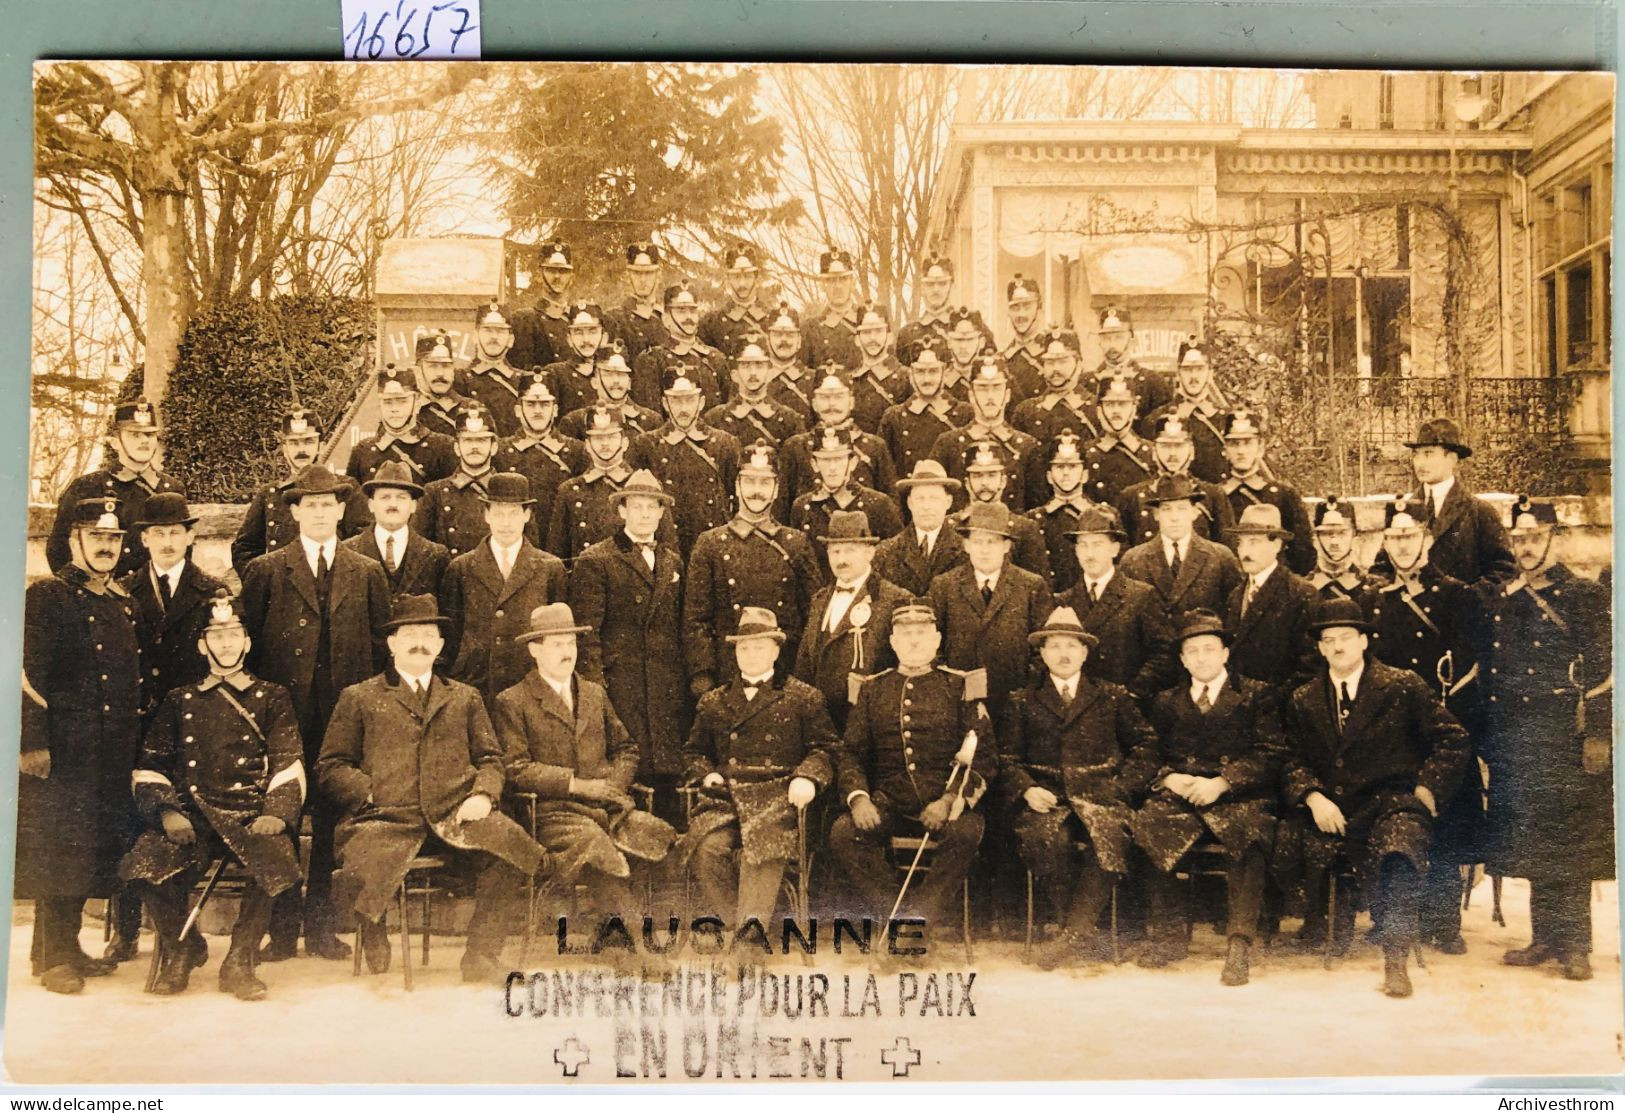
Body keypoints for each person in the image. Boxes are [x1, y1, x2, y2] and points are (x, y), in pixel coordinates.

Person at [319, 594, 549, 982]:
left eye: (429, 634)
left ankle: (480, 955)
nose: (420, 642)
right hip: (386, 818)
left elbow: (491, 759)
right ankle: (371, 922)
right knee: (365, 861)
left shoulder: (464, 697)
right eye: (410, 634)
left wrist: (482, 795)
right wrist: (370, 791)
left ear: (441, 645)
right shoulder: (359, 697)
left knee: (510, 850)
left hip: (455, 814)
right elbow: (330, 766)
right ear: (392, 643)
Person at [1280, 596, 1470, 998]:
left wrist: (1427, 788)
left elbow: (1453, 739)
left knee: (1400, 849)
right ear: (1319, 648)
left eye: (1346, 637)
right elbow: (1291, 759)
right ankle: (1332, 927)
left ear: (1364, 641)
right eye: (1328, 640)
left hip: (1393, 801)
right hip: (1335, 807)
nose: (1337, 647)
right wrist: (1312, 796)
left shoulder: (1401, 685)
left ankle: (1396, 959)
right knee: (1294, 845)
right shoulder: (1304, 698)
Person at [239, 463, 392, 962]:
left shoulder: (366, 571)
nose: (321, 512)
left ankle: (322, 929)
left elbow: (378, 646)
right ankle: (281, 930)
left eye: (329, 504)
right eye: (311, 504)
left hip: (343, 717)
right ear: (295, 512)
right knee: (281, 814)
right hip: (285, 715)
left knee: (331, 821)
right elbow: (252, 645)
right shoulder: (266, 570)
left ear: (343, 510)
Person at [121, 591, 305, 1000]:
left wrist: (276, 811)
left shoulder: (272, 696)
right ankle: (183, 948)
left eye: (234, 634)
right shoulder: (178, 699)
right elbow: (151, 763)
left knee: (275, 855)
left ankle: (241, 958)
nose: (226, 643)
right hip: (194, 814)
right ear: (203, 645)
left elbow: (288, 760)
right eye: (216, 635)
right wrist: (168, 812)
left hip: (250, 813)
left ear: (247, 642)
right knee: (143, 865)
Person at [1484, 497, 1613, 981]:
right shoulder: (1510, 597)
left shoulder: (1582, 596)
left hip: (1567, 734)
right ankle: (1544, 937)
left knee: (1570, 840)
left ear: (1555, 539)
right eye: (1518, 539)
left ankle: (1576, 945)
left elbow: (1604, 673)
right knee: (1534, 836)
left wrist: (1598, 735)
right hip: (1521, 736)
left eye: (1535, 537)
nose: (1526, 548)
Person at [19, 497, 142, 994]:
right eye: (97, 537)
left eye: (114, 539)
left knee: (87, 850)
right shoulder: (49, 595)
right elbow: (24, 676)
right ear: (74, 540)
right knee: (58, 850)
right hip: (63, 751)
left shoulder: (120, 601)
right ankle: (52, 959)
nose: (107, 547)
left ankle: (68, 948)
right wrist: (31, 743)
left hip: (109, 751)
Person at [1130, 611, 1284, 984]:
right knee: (1148, 824)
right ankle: (1169, 933)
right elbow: (1149, 752)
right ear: (1182, 660)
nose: (1201, 658)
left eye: (1209, 649)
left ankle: (1239, 942)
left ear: (1225, 654)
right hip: (1183, 793)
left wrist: (1224, 781)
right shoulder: (1166, 701)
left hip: (1237, 796)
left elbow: (1270, 752)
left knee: (1249, 834)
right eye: (1192, 651)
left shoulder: (1256, 694)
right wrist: (1168, 778)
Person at [1000, 607, 1157, 971]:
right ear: (1042, 653)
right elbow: (1005, 758)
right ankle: (1082, 931)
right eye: (1054, 646)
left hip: (1102, 797)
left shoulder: (1112, 696)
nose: (1064, 653)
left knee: (1109, 837)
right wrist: (1026, 790)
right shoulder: (1022, 700)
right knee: (1048, 841)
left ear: (1085, 652)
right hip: (1048, 798)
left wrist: (1121, 787)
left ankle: (1070, 936)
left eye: (1071, 645)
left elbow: (1147, 747)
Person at [1367, 497, 1491, 955]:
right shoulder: (1373, 598)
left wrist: (1451, 722)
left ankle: (1444, 921)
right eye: (1394, 536)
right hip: (1392, 728)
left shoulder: (1456, 595)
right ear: (1383, 541)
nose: (1401, 545)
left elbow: (1473, 664)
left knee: (1442, 818)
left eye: (1410, 535)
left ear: (1427, 539)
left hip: (1441, 724)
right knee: (1392, 817)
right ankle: (1390, 918)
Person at [107, 492, 228, 962]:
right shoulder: (123, 589)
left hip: (187, 726)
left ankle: (173, 935)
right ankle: (127, 930)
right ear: (143, 539)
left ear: (191, 536)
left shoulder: (211, 591)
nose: (167, 541)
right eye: (157, 532)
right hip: (136, 723)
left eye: (176, 531)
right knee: (130, 822)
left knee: (176, 824)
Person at [832, 599, 996, 929]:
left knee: (967, 833)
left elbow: (984, 756)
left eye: (921, 633)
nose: (914, 641)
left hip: (945, 802)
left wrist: (950, 800)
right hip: (889, 803)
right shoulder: (872, 688)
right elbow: (851, 753)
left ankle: (919, 917)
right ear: (892, 642)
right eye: (905, 634)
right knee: (844, 833)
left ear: (937, 639)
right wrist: (860, 798)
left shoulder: (960, 685)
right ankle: (902, 919)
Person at [494, 603, 650, 929]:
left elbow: (626, 749)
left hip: (607, 805)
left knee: (656, 836)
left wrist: (613, 787)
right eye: (557, 645)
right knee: (594, 843)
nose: (567, 653)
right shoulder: (514, 700)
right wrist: (576, 785)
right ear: (534, 649)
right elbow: (517, 767)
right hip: (551, 813)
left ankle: (622, 931)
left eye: (571, 644)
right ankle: (632, 943)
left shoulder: (594, 694)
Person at [680, 608, 839, 928]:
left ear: (776, 650)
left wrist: (808, 777)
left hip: (778, 799)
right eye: (744, 647)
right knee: (707, 849)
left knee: (762, 845)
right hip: (726, 798)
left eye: (759, 647)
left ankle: (748, 942)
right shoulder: (714, 701)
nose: (751, 655)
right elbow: (694, 752)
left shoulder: (803, 696)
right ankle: (743, 931)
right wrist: (706, 773)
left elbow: (826, 749)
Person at [567, 471, 690, 823]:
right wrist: (596, 690)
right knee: (627, 770)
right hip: (621, 686)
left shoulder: (672, 560)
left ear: (662, 513)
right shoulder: (597, 560)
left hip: (664, 687)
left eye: (653, 507)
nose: (645, 515)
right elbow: (587, 635)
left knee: (664, 775)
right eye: (637, 507)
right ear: (621, 511)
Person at [683, 442, 824, 695]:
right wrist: (702, 675)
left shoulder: (796, 544)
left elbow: (813, 616)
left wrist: (804, 674)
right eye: (749, 482)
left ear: (777, 488)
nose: (756, 491)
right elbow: (696, 619)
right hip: (729, 675)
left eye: (764, 483)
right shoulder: (710, 543)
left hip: (785, 673)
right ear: (737, 486)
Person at [440, 472, 569, 708]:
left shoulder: (550, 568)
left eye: (513, 513)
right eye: (499, 513)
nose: (506, 523)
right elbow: (451, 634)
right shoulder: (461, 568)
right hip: (476, 685)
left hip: (529, 686)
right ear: (487, 514)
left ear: (527, 515)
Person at [927, 501, 1055, 719]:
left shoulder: (1031, 585)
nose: (984, 549)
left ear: (1007, 546)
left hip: (1015, 703)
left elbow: (1044, 648)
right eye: (977, 541)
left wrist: (1025, 692)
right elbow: (932, 645)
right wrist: (949, 688)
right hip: (959, 701)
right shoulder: (944, 586)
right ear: (966, 545)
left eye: (992, 541)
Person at [795, 510, 910, 730]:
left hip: (870, 724)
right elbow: (804, 665)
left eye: (850, 550)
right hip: (822, 724)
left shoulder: (895, 599)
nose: (841, 560)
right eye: (835, 551)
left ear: (870, 552)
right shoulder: (819, 600)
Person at [1053, 504, 1176, 706]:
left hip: (1128, 706)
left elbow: (1163, 654)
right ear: (1075, 551)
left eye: (1097, 544)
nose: (1089, 553)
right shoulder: (1064, 601)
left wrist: (1132, 694)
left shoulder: (1140, 595)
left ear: (1115, 549)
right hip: (1079, 708)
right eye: (1083, 545)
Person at [49, 397, 184, 578]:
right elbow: (59, 548)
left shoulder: (171, 488)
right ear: (114, 442)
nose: (144, 441)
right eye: (134, 435)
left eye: (149, 434)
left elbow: (182, 551)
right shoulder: (87, 486)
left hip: (155, 597)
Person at [232, 408, 363, 579]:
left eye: (308, 441)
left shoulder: (346, 488)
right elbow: (244, 548)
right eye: (294, 443)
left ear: (320, 446)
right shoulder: (270, 494)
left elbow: (362, 540)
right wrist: (265, 582)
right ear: (285, 449)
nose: (301, 449)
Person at [627, 365, 741, 558]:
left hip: (714, 545)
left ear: (702, 402)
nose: (683, 408)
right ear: (665, 403)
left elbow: (736, 499)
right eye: (676, 401)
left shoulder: (725, 444)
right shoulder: (646, 445)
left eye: (690, 400)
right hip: (666, 545)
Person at [1222, 504, 1320, 709]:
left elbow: (1311, 665)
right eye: (1241, 543)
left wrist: (1272, 700)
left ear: (1276, 545)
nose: (1244, 552)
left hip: (1279, 710)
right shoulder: (1236, 595)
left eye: (1254, 542)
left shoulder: (1300, 594)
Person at [1401, 417, 1516, 586]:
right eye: (1416, 455)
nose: (1420, 463)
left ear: (1452, 459)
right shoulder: (1404, 511)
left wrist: (1467, 598)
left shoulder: (1479, 511)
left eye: (1429, 454)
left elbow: (1503, 570)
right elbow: (1384, 568)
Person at [1117, 474, 1245, 621]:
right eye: (1166, 509)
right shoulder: (1133, 560)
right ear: (1156, 514)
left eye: (1182, 508)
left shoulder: (1220, 557)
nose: (1174, 517)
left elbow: (1234, 614)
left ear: (1195, 512)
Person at [928, 354, 1039, 513]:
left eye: (996, 388)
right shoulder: (948, 444)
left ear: (1007, 395)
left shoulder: (1026, 447)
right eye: (982, 389)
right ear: (971, 395)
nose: (990, 396)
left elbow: (1034, 509)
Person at [777, 371, 897, 515]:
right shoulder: (795, 447)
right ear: (814, 403)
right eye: (824, 397)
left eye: (839, 396)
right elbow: (782, 509)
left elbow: (890, 507)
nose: (831, 404)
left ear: (851, 402)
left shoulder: (875, 447)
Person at [492, 372, 588, 545]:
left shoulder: (577, 451)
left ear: (555, 410)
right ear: (517, 410)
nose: (537, 411)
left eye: (544, 404)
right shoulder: (500, 451)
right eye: (530, 404)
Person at [418, 404, 522, 560]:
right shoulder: (434, 492)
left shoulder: (512, 490)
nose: (474, 447)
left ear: (494, 447)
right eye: (467, 440)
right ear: (457, 448)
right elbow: (422, 551)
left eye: (481, 440)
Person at [1218, 409, 1314, 575]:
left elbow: (1303, 556)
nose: (1241, 451)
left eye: (1248, 443)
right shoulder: (1215, 496)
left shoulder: (1284, 496)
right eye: (1234, 444)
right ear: (1225, 450)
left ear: (1260, 448)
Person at [791, 427, 904, 568]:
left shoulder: (879, 504)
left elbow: (896, 558)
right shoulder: (802, 507)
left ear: (853, 463)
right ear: (814, 464)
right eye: (825, 460)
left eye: (838, 459)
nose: (832, 467)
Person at [1116, 414, 1236, 546]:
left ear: (1192, 451)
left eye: (1179, 446)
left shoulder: (1213, 496)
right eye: (1166, 446)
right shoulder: (1131, 497)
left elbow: (1227, 550)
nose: (1172, 454)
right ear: (1154, 452)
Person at [343, 461, 450, 599]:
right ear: (371, 505)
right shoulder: (347, 551)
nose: (393, 504)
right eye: (385, 497)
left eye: (401, 497)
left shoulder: (436, 555)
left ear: (413, 506)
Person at [346, 364, 457, 492]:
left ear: (417, 402)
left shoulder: (443, 447)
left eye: (402, 401)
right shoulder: (362, 451)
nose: (394, 409)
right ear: (379, 406)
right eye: (388, 402)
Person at [955, 441, 1052, 583]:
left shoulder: (1025, 529)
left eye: (991, 475)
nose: (984, 483)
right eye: (977, 476)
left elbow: (1037, 587)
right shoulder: (952, 526)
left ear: (1003, 481)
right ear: (967, 482)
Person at [872, 459, 969, 597]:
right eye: (920, 498)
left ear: (948, 502)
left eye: (934, 498)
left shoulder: (966, 551)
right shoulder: (884, 553)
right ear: (910, 503)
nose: (926, 506)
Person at [878, 338, 971, 480]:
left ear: (944, 373)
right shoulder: (893, 418)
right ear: (911, 375)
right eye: (921, 372)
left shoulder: (965, 414)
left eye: (933, 371)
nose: (927, 379)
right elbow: (885, 476)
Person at [1009, 328, 1100, 468]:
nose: (1056, 369)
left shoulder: (1097, 408)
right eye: (1050, 362)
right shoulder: (1026, 412)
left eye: (1063, 361)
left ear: (1079, 364)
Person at [632, 282, 728, 411]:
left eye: (692, 311)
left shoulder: (715, 358)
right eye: (681, 311)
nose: (689, 317)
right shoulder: (652, 360)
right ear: (666, 319)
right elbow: (653, 418)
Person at [1145, 344, 1229, 484]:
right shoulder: (1156, 419)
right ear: (1178, 373)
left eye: (1199, 369)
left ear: (1210, 373)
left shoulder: (1225, 418)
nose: (1194, 376)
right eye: (1187, 370)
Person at [704, 337, 808, 448]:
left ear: (770, 373)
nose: (753, 373)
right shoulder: (715, 419)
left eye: (759, 365)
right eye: (745, 366)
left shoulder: (790, 420)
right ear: (734, 375)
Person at [1025, 432, 1096, 592]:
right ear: (1049, 476)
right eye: (1059, 466)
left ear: (1085, 475)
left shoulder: (1103, 516)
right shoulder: (1032, 521)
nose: (1065, 473)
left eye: (1072, 466)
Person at [1090, 307, 1173, 431]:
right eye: (1106, 338)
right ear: (1099, 342)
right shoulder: (1087, 383)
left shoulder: (1153, 383)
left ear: (1132, 341)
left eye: (1119, 337)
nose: (1112, 345)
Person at [557, 343, 662, 441]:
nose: (616, 381)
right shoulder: (576, 422)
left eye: (621, 374)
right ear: (594, 382)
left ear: (630, 382)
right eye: (608, 374)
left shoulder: (651, 421)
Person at [1082, 374, 1155, 509]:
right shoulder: (1085, 455)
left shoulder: (1152, 453)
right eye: (1109, 404)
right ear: (1099, 411)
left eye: (1122, 404)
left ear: (1134, 410)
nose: (1116, 411)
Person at [455, 303, 527, 439]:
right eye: (488, 330)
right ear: (475, 336)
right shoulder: (459, 379)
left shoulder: (523, 381)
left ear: (511, 340)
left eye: (500, 331)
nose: (494, 337)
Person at [540, 303, 614, 420]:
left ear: (604, 337)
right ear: (569, 338)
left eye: (592, 331)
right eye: (578, 332)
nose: (586, 339)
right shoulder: (554, 374)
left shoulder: (612, 373)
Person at [698, 243, 770, 358]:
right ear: (727, 280)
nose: (742, 283)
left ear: (756, 279)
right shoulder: (711, 324)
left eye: (747, 276)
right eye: (736, 277)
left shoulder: (772, 321)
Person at [1306, 496, 1380, 607]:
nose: (1334, 542)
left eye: (1342, 533)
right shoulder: (1302, 591)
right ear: (1315, 541)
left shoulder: (1372, 588)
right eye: (1327, 534)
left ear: (1355, 539)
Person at [847, 305, 911, 435]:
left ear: (890, 337)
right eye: (866, 332)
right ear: (857, 340)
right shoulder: (847, 382)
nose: (872, 338)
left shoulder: (908, 378)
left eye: (878, 331)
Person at [513, 240, 576, 371]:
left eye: (563, 271)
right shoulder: (524, 320)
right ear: (539, 275)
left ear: (571, 277)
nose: (557, 276)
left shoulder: (577, 320)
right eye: (551, 270)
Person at [802, 246, 863, 369]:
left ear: (853, 283)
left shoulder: (867, 322)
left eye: (844, 279)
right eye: (831, 280)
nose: (838, 286)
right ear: (823, 286)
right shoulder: (810, 329)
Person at [607, 242, 667, 362]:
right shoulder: (615, 318)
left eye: (649, 273)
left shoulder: (667, 318)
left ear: (658, 275)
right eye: (637, 273)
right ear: (628, 276)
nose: (643, 280)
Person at [994, 275, 1046, 405]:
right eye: (1015, 307)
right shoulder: (1002, 359)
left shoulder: (1051, 355)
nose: (1021, 315)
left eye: (1027, 307)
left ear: (1039, 309)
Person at [894, 254, 957, 357]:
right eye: (930, 284)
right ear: (922, 287)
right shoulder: (907, 335)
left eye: (942, 283)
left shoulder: (968, 329)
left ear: (952, 286)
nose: (936, 290)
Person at [763, 303, 816, 424]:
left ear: (799, 341)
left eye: (790, 334)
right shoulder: (756, 380)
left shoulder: (815, 380)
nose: (784, 340)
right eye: (777, 334)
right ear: (767, 340)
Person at [415, 333, 473, 441]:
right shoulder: (406, 411)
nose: (440, 373)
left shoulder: (471, 409)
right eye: (433, 366)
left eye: (446, 366)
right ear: (418, 371)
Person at [940, 307, 993, 404]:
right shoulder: (940, 383)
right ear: (949, 343)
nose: (963, 346)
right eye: (958, 340)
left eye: (969, 340)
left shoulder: (994, 381)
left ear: (982, 342)